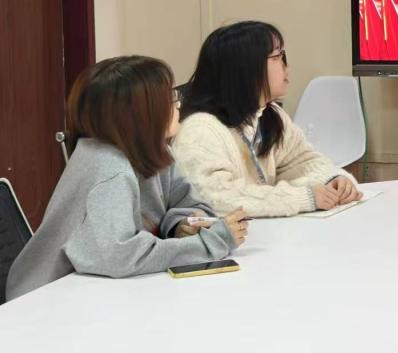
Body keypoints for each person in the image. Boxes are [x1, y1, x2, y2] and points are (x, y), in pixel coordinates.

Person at [6, 56, 247, 301]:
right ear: (140, 113)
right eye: (169, 97)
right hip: (45, 301)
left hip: (95, 291)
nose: (178, 104)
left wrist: (179, 225)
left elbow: (190, 203)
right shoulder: (110, 169)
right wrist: (209, 244)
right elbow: (119, 256)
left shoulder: (152, 149)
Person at [173, 21, 361, 217]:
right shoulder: (199, 129)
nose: (287, 66)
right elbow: (214, 198)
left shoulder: (270, 114)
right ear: (246, 69)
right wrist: (302, 198)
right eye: (278, 57)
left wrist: (331, 180)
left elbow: (301, 161)